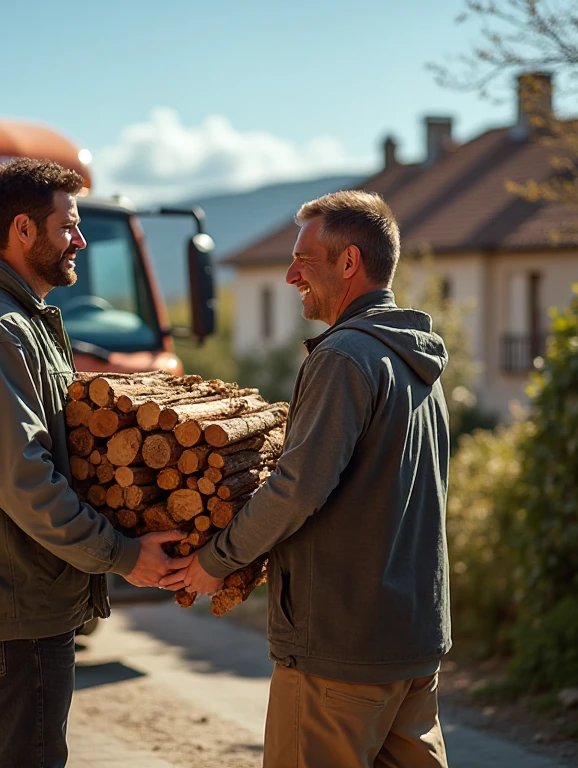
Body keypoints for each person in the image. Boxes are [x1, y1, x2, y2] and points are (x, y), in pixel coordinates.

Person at [162, 190, 452, 768]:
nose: (291, 274)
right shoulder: (416, 360)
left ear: (349, 263)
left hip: (339, 651)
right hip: (413, 644)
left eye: (305, 259)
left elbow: (297, 488)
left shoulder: (345, 356)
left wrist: (214, 561)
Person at [0, 157, 186, 768]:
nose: (80, 240)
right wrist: (121, 554)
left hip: (13, 598)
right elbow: (25, 479)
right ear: (22, 230)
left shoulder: (17, 321)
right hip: (19, 602)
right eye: (68, 226)